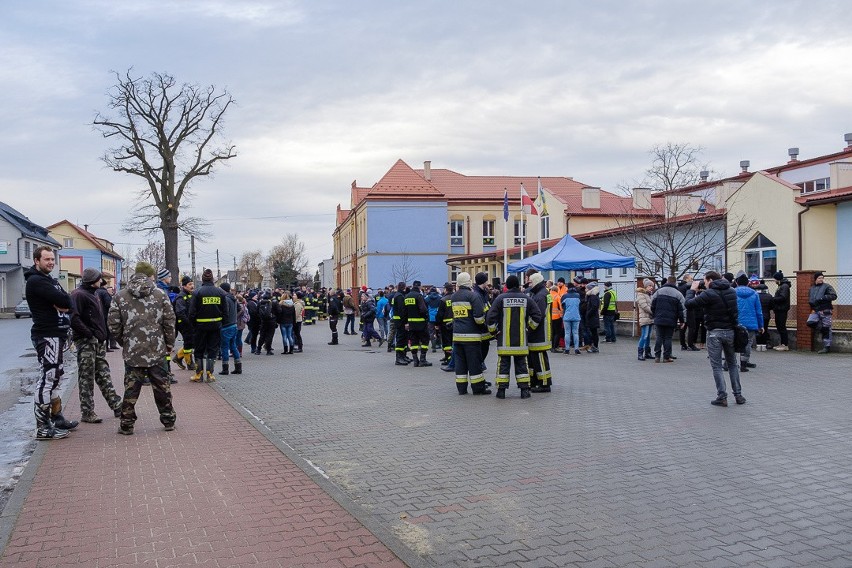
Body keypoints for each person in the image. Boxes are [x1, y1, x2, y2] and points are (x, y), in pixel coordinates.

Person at [108, 262, 177, 435]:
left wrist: (124, 341)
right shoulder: (160, 294)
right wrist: (169, 344)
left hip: (132, 351)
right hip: (157, 349)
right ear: (151, 276)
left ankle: (127, 424)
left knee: (131, 388)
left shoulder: (120, 295)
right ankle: (168, 419)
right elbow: (169, 321)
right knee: (162, 386)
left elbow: (113, 324)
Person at [25, 246, 78, 440]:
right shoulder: (36, 281)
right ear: (36, 261)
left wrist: (64, 303)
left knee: (56, 377)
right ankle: (43, 427)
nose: (50, 262)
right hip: (47, 335)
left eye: (52, 259)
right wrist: (62, 302)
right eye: (46, 259)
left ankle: (57, 418)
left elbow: (68, 301)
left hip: (57, 336)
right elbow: (62, 299)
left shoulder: (50, 281)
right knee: (47, 378)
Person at [70, 267, 122, 423]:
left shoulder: (94, 294)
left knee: (103, 374)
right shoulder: (79, 295)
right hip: (86, 342)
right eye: (99, 279)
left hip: (97, 342)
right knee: (86, 377)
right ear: (93, 280)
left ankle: (116, 405)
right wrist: (89, 334)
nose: (102, 282)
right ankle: (87, 411)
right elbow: (74, 319)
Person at [686, 271, 744, 406]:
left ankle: (722, 396)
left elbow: (689, 304)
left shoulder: (709, 293)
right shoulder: (732, 291)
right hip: (730, 331)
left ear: (710, 280)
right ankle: (738, 395)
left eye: (705, 281)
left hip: (714, 333)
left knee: (717, 366)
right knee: (732, 364)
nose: (704, 283)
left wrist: (692, 290)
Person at [486, 275, 542, 399]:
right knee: (522, 365)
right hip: (521, 341)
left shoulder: (500, 298)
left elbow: (490, 318)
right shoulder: (526, 298)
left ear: (507, 286)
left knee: (503, 365)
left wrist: (493, 332)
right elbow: (538, 315)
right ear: (518, 285)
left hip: (504, 342)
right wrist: (529, 329)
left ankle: (501, 391)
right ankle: (524, 391)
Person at [449, 273, 490, 395]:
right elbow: (479, 318)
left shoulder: (454, 297)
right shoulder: (473, 296)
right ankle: (478, 389)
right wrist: (484, 326)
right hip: (471, 337)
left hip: (457, 336)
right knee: (474, 364)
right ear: (468, 282)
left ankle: (461, 388)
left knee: (460, 364)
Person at [188, 268, 228, 381]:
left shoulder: (197, 293)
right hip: (216, 326)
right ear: (213, 279)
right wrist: (221, 324)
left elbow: (191, 312)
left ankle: (198, 374)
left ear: (202, 279)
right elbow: (226, 312)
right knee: (212, 350)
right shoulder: (220, 293)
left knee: (199, 350)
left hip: (200, 327)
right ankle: (210, 374)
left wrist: (193, 325)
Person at [526, 273, 553, 393]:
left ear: (536, 281)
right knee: (534, 358)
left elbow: (538, 315)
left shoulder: (540, 296)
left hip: (539, 332)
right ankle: (535, 380)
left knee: (540, 358)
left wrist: (529, 329)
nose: (529, 284)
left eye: (531, 282)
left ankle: (544, 383)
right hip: (540, 331)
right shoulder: (542, 293)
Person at [651, 276, 686, 363]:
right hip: (671, 320)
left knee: (659, 337)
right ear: (675, 282)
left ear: (667, 281)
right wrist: (682, 321)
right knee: (668, 338)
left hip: (659, 318)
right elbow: (682, 309)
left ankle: (657, 356)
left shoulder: (658, 292)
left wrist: (655, 314)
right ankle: (666, 357)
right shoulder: (678, 294)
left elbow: (652, 305)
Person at [734, 271, 763, 372]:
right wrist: (761, 325)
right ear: (748, 283)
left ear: (736, 282)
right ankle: (743, 365)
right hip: (751, 323)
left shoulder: (732, 292)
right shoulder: (754, 294)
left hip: (736, 323)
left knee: (733, 343)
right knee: (747, 344)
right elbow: (758, 311)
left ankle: (729, 363)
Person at [403, 280, 432, 367]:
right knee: (425, 340)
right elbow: (423, 309)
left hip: (411, 323)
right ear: (419, 287)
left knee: (413, 342)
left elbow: (404, 311)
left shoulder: (407, 297)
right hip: (421, 323)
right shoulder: (419, 296)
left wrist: (406, 322)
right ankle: (423, 360)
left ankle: (415, 360)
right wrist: (426, 317)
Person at [809, 271, 837, 354]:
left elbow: (834, 296)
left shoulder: (827, 286)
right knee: (810, 322)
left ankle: (826, 347)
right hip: (815, 310)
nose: (821, 279)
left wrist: (823, 298)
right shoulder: (812, 288)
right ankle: (822, 330)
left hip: (825, 310)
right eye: (819, 278)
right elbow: (811, 298)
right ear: (815, 279)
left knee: (827, 328)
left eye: (822, 278)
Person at [173, 277, 195, 370]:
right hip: (183, 323)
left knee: (190, 342)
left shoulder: (191, 295)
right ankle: (189, 363)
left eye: (192, 284)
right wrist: (189, 323)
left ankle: (178, 357)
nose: (192, 286)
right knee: (188, 343)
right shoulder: (181, 297)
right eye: (189, 284)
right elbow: (180, 312)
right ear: (184, 286)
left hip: (189, 323)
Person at [219, 282, 241, 374]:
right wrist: (234, 317)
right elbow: (240, 309)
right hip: (234, 325)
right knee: (233, 346)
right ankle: (238, 367)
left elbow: (225, 312)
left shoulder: (225, 299)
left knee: (224, 347)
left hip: (226, 326)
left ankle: (225, 369)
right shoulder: (234, 298)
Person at [635, 278, 655, 361]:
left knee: (648, 337)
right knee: (644, 336)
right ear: (646, 286)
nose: (651, 287)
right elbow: (644, 306)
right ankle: (640, 353)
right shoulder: (641, 295)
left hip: (650, 318)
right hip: (644, 318)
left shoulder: (649, 295)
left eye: (652, 286)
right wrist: (653, 312)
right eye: (650, 286)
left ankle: (647, 353)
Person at [435, 282, 455, 365]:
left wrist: (437, 324)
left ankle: (448, 358)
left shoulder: (443, 300)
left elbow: (440, 314)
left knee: (447, 343)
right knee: (453, 341)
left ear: (446, 289)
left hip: (445, 323)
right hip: (455, 322)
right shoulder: (456, 298)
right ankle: (450, 357)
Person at [772, 271, 792, 351]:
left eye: (775, 279)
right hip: (779, 309)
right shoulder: (781, 286)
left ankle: (785, 344)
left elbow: (783, 297)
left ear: (778, 279)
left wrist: (773, 299)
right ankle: (782, 343)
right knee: (779, 326)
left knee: (781, 326)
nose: (774, 281)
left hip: (782, 309)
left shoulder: (784, 286)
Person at [392, 281, 411, 365]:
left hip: (398, 320)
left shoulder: (397, 295)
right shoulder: (399, 297)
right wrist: (405, 322)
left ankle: (403, 356)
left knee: (404, 339)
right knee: (400, 339)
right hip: (400, 321)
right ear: (404, 287)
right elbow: (402, 310)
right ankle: (399, 358)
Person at [561, 283, 582, 355]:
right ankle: (576, 349)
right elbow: (580, 305)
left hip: (567, 316)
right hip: (576, 316)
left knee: (567, 333)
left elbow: (562, 306)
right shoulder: (578, 296)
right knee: (575, 333)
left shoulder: (564, 296)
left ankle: (567, 349)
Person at [583, 282, 601, 353]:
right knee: (593, 332)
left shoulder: (593, 296)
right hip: (593, 317)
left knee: (594, 333)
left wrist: (588, 314)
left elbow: (594, 307)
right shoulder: (592, 296)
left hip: (593, 318)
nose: (585, 290)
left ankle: (595, 347)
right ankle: (594, 346)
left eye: (586, 288)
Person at [550, 278, 566, 352]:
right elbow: (561, 307)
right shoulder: (557, 297)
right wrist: (562, 313)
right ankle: (555, 347)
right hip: (557, 317)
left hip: (550, 317)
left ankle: (552, 346)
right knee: (558, 332)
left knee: (552, 332)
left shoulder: (548, 296)